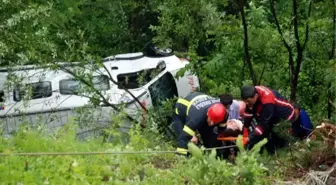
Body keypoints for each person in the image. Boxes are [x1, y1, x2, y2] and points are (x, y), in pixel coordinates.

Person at [240, 85, 313, 154]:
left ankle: (287, 153)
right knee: (265, 134)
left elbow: (263, 125)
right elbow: (248, 115)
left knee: (280, 139)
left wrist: (249, 138)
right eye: (245, 101)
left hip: (285, 117)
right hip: (272, 115)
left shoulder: (267, 101)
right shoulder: (251, 92)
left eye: (248, 101)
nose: (246, 103)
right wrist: (245, 131)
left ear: (255, 96)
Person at [173, 91, 228, 156]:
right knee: (185, 139)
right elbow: (183, 138)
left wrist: (214, 137)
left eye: (215, 122)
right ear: (207, 114)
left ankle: (211, 154)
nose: (212, 123)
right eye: (211, 120)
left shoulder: (224, 114)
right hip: (181, 110)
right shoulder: (197, 117)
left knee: (210, 138)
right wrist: (192, 135)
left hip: (199, 103)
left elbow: (221, 129)